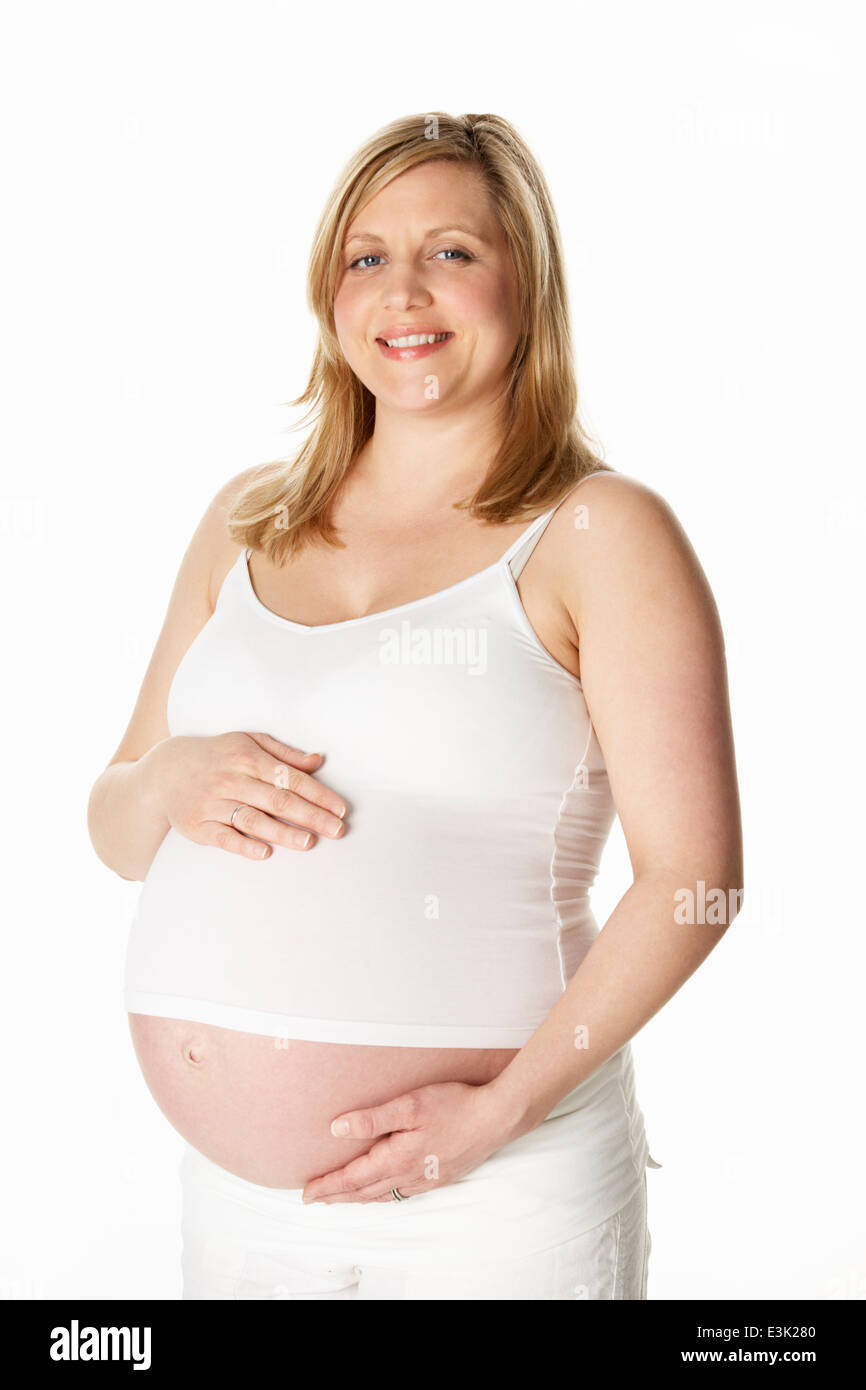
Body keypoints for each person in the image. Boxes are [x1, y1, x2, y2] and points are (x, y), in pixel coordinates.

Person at [87, 111, 743, 1301]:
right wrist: (167, 780)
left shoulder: (598, 533)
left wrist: (496, 1113)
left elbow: (691, 881)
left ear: (524, 284)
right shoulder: (248, 518)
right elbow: (115, 822)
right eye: (365, 255)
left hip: (494, 1202)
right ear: (326, 293)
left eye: (451, 250)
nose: (402, 291)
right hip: (240, 1211)